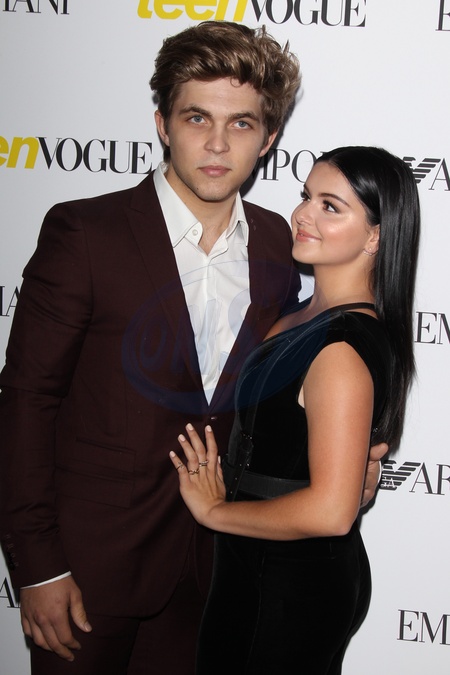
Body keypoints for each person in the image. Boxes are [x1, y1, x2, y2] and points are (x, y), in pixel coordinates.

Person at [0, 21, 383, 675]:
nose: (216, 143)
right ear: (162, 124)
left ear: (267, 138)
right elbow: (26, 403)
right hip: (89, 569)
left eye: (241, 124)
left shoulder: (278, 243)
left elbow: (285, 388)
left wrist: (345, 466)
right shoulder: (86, 233)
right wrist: (38, 566)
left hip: (218, 571)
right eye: (197, 117)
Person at [171, 146, 420, 674]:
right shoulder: (301, 317)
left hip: (290, 584)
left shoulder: (341, 348)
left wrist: (214, 511)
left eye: (331, 206)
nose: (303, 213)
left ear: (375, 237)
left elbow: (331, 512)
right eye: (306, 196)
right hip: (255, 568)